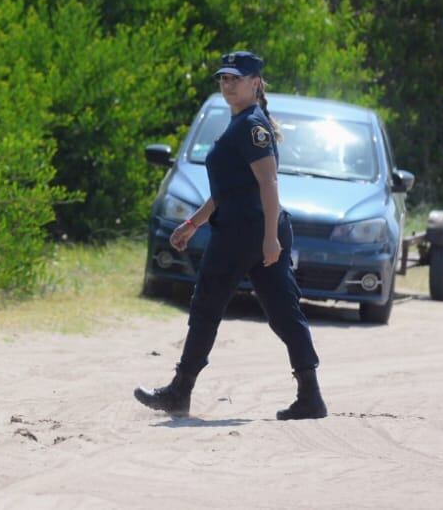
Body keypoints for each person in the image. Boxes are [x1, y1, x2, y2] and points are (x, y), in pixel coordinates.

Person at [134, 50, 327, 421]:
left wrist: (271, 239)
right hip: (247, 227)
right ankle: (310, 396)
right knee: (283, 314)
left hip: (246, 233)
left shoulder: (252, 126)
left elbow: (268, 183)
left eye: (235, 78)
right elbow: (228, 190)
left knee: (208, 306)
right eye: (224, 78)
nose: (227, 84)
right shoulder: (240, 123)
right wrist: (193, 223)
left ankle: (180, 391)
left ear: (256, 83)